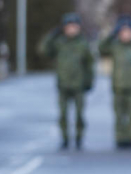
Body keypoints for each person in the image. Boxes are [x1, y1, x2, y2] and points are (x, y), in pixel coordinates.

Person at [38, 13, 94, 150]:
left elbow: (89, 65)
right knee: (63, 115)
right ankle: (64, 138)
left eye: (74, 27)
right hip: (63, 84)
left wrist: (89, 82)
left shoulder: (83, 44)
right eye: (69, 27)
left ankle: (79, 138)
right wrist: (52, 35)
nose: (72, 30)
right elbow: (42, 50)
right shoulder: (59, 42)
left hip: (79, 85)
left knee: (79, 114)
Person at [98, 15, 131, 149]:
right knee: (119, 115)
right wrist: (111, 35)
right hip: (118, 86)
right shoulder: (115, 47)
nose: (126, 34)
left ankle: (130, 138)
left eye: (128, 31)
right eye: (123, 32)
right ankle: (120, 138)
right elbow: (101, 48)